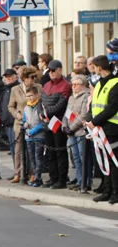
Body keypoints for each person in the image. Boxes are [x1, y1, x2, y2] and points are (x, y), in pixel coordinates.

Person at [88, 49, 118, 204]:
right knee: (103, 161)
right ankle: (107, 190)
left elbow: (112, 107)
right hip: (99, 127)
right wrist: (89, 120)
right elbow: (94, 103)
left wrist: (95, 121)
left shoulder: (115, 83)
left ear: (99, 67)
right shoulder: (99, 83)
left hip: (112, 128)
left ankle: (115, 192)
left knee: (113, 161)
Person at [41, 59, 71, 189]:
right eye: (49, 71)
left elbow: (61, 105)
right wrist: (41, 113)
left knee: (60, 151)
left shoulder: (65, 85)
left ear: (60, 70)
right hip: (47, 123)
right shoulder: (46, 85)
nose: (51, 73)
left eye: (53, 70)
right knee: (50, 152)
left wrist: (46, 112)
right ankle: (53, 177)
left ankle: (62, 179)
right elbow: (40, 102)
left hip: (58, 123)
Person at [65, 75, 92, 193]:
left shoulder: (86, 96)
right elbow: (67, 113)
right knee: (75, 158)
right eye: (72, 84)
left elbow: (83, 115)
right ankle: (79, 180)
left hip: (80, 131)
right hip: (71, 132)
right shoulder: (71, 97)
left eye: (76, 84)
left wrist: (72, 127)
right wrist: (64, 126)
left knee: (83, 157)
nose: (74, 87)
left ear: (83, 85)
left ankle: (86, 182)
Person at [0, 68, 20, 178]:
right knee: (12, 148)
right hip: (7, 122)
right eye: (6, 77)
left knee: (17, 148)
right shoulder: (5, 90)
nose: (7, 79)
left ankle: (19, 171)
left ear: (16, 77)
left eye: (10, 76)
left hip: (14, 122)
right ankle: (16, 170)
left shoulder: (16, 88)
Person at [23, 86, 46, 186]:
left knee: (38, 158)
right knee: (32, 158)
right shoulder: (26, 107)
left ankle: (38, 178)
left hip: (38, 136)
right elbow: (24, 120)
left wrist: (33, 131)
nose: (29, 98)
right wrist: (24, 124)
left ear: (36, 95)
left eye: (31, 96)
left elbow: (42, 123)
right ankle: (34, 176)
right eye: (27, 96)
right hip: (29, 137)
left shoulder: (40, 106)